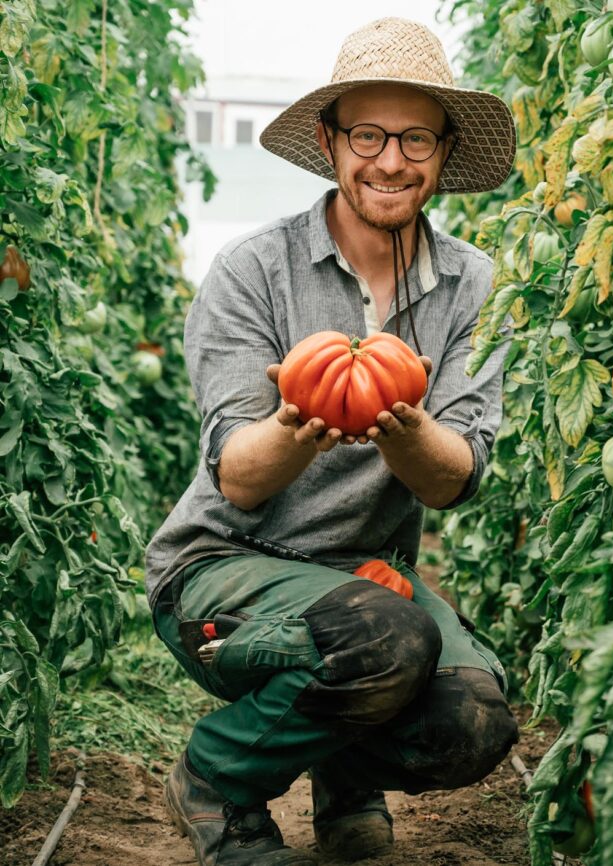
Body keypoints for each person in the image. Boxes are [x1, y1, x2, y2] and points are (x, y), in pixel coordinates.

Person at [146, 17, 519, 866]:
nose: (391, 160)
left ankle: (345, 773)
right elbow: (238, 478)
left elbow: (454, 479)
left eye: (415, 137)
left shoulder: (475, 287)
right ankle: (216, 779)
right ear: (329, 140)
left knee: (474, 721)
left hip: (365, 578)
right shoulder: (254, 270)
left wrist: (407, 427)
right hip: (222, 562)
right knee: (388, 637)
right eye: (367, 134)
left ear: (443, 149)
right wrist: (295, 426)